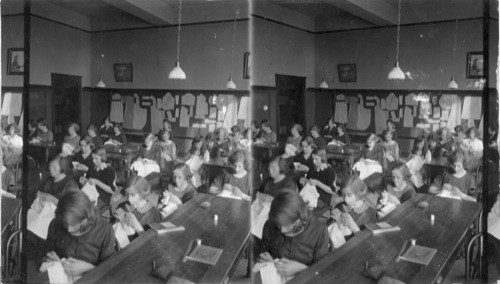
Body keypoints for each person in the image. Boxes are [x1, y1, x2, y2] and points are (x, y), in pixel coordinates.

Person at [42, 191, 115, 278]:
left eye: (73, 225)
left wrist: (88, 268)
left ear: (84, 221)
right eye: (65, 224)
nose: (68, 229)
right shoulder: (56, 224)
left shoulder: (105, 230)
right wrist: (49, 258)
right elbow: (46, 250)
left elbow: (109, 271)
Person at [260, 191, 330, 278]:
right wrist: (267, 260)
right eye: (278, 225)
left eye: (287, 225)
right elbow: (264, 252)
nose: (282, 230)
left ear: (298, 221)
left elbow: (322, 273)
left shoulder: (319, 231)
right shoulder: (270, 225)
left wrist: (301, 268)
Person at [114, 175, 160, 241]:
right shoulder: (123, 205)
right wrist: (117, 220)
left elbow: (152, 241)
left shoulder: (153, 213)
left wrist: (136, 225)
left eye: (133, 195)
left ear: (142, 193)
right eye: (127, 194)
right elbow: (112, 231)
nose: (129, 199)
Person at [300, 148, 338, 216]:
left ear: (323, 158)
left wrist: (317, 183)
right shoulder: (313, 168)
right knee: (296, 206)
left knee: (306, 213)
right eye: (313, 159)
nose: (314, 161)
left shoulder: (329, 171)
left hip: (322, 200)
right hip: (310, 195)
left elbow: (333, 191)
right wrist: (305, 181)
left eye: (316, 159)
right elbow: (309, 181)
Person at [79, 147, 116, 213]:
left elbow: (112, 191)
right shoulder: (92, 166)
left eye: (96, 158)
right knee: (76, 203)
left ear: (102, 158)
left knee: (86, 209)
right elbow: (88, 179)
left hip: (102, 198)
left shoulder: (109, 170)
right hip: (90, 193)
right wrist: (84, 180)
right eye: (92, 158)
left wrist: (97, 182)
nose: (93, 161)